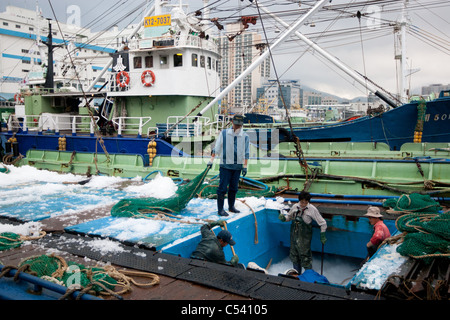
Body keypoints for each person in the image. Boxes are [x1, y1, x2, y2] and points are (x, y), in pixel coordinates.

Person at [208, 114, 249, 216]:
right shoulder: (224, 133)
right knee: (222, 188)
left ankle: (231, 207)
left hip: (237, 167)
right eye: (236, 125)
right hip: (225, 166)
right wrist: (211, 160)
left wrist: (245, 166)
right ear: (232, 123)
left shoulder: (245, 136)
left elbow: (246, 152)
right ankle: (220, 209)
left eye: (239, 126)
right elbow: (216, 148)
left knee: (234, 188)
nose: (238, 127)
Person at [279, 191, 327, 274]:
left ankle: (308, 275)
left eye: (305, 202)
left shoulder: (312, 209)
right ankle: (297, 274)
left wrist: (322, 235)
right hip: (294, 236)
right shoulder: (295, 207)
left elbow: (323, 223)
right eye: (302, 202)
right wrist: (284, 218)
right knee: (294, 255)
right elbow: (289, 217)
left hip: (304, 237)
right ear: (299, 200)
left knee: (305, 256)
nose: (303, 204)